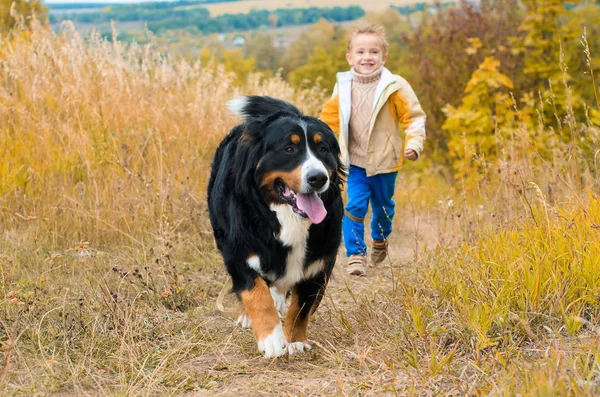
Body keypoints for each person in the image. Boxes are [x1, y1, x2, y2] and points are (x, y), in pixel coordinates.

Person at [319, 24, 426, 276]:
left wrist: (414, 143)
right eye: (361, 52)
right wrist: (315, 148)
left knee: (383, 208)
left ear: (384, 57)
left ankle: (380, 238)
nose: (367, 57)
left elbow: (414, 118)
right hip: (354, 162)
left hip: (385, 162)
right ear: (350, 57)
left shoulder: (395, 86)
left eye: (374, 52)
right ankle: (355, 254)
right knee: (354, 206)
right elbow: (327, 121)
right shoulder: (343, 86)